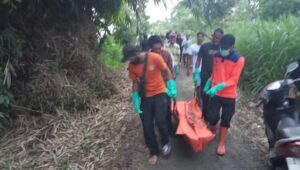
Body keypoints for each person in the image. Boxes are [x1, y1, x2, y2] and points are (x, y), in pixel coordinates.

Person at [122, 45, 177, 165]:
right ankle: (153, 151)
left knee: (160, 121)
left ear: (137, 53)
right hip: (145, 97)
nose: (129, 61)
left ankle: (166, 142)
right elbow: (135, 83)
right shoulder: (132, 66)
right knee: (147, 126)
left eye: (130, 58)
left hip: (160, 93)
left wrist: (172, 86)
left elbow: (166, 71)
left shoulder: (154, 57)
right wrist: (136, 99)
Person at [204, 34, 245, 156]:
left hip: (229, 95)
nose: (223, 50)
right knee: (212, 117)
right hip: (215, 93)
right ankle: (213, 128)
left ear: (232, 47)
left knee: (226, 119)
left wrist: (219, 86)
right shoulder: (216, 55)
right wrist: (209, 82)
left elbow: (234, 79)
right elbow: (215, 72)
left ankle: (221, 142)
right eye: (222, 47)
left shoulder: (239, 59)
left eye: (226, 47)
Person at [148, 35, 175, 135]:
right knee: (157, 109)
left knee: (167, 106)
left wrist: (172, 87)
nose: (159, 51)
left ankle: (169, 127)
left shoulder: (166, 54)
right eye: (156, 49)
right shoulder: (147, 57)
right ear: (151, 48)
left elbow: (170, 71)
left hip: (166, 84)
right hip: (154, 87)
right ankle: (160, 126)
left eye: (160, 48)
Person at [195, 28, 224, 120]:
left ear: (221, 38)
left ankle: (213, 119)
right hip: (205, 76)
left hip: (218, 79)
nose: (216, 39)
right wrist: (196, 72)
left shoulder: (223, 49)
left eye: (218, 38)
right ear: (212, 36)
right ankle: (204, 116)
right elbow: (198, 59)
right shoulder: (205, 46)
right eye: (215, 37)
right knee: (205, 97)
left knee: (215, 99)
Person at [186, 32, 205, 101]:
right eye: (198, 37)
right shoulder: (192, 47)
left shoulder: (206, 46)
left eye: (201, 37)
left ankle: (199, 99)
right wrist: (188, 69)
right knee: (198, 86)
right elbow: (189, 58)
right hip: (196, 69)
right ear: (196, 37)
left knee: (203, 86)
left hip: (205, 70)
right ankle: (199, 101)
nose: (200, 38)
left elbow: (217, 42)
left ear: (203, 38)